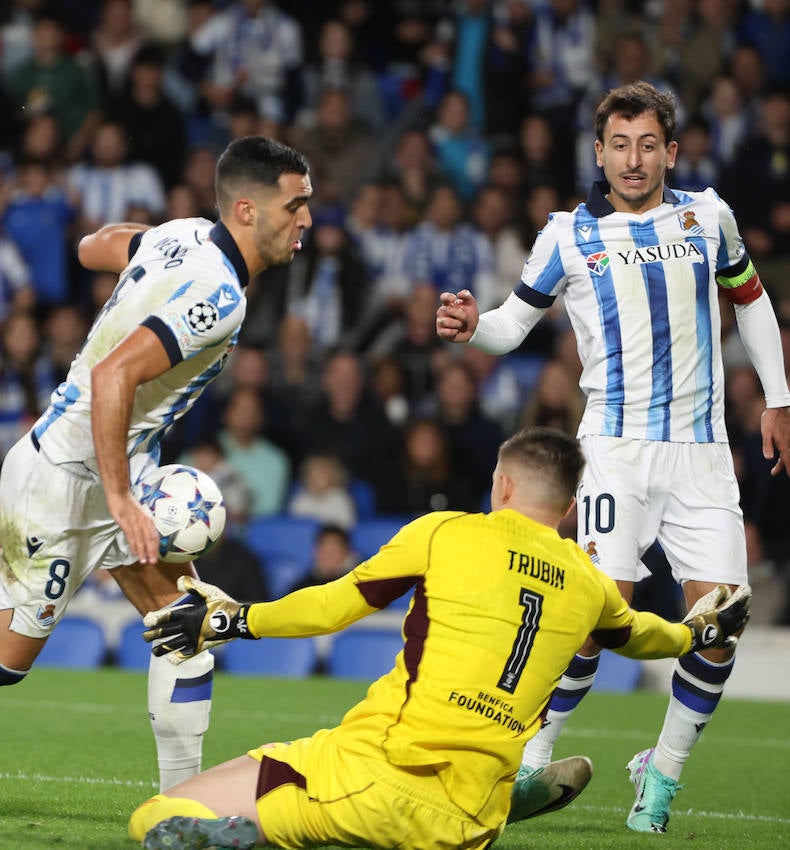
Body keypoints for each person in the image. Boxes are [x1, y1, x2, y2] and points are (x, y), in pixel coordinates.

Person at [0, 136, 312, 791]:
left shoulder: (184, 235)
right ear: (246, 210)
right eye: (295, 205)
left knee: (185, 625)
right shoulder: (219, 295)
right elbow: (112, 378)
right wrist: (124, 500)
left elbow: (91, 246)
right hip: (65, 479)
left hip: (112, 463)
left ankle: (182, 809)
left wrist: (155, 250)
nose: (306, 220)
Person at [435, 81, 790, 834]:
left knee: (719, 622)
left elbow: (752, 299)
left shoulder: (708, 217)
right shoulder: (567, 233)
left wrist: (779, 397)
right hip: (614, 453)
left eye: (648, 144)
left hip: (700, 452)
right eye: (619, 145)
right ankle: (534, 759)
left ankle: (660, 772)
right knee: (595, 615)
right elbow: (512, 323)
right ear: (599, 152)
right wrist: (473, 328)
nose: (634, 159)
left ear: (670, 149)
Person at [130, 428, 751, 850]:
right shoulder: (590, 583)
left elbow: (331, 607)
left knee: (158, 817)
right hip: (470, 821)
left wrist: (231, 619)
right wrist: (702, 630)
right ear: (568, 508)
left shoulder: (444, 533)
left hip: (374, 778)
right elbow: (646, 636)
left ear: (501, 485)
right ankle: (511, 798)